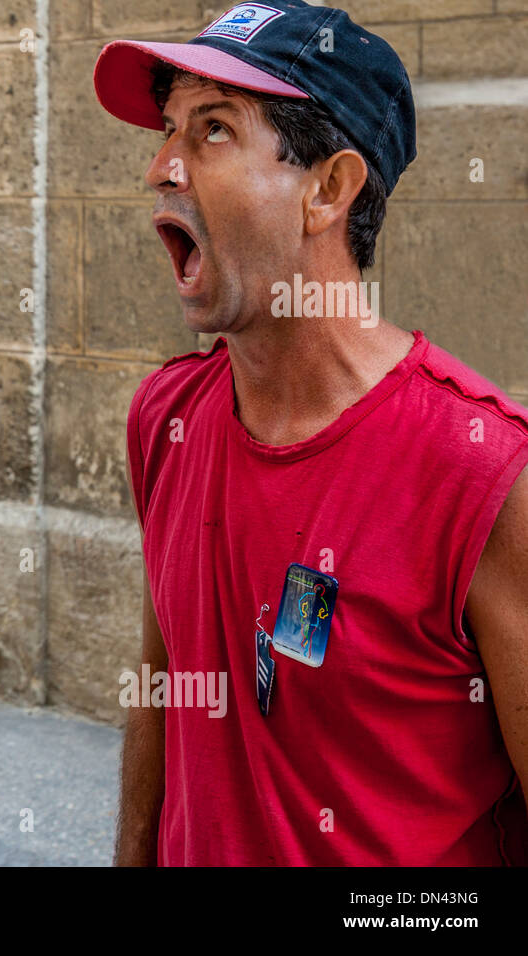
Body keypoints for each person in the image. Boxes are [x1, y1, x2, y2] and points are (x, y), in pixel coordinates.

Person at [94, 1, 528, 864]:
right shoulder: (166, 420)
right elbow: (165, 692)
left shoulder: (483, 473)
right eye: (169, 128)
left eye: (213, 130)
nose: (161, 167)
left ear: (328, 190)